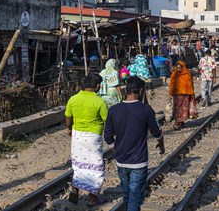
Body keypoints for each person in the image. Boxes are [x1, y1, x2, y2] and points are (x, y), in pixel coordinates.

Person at [103, 76, 165, 211]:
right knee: (135, 196)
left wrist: (115, 150)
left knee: (126, 194)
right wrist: (161, 144)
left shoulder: (114, 110)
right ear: (141, 90)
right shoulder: (146, 110)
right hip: (139, 160)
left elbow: (107, 136)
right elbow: (156, 132)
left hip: (121, 160)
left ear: (126, 90)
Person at [65, 73, 108, 207]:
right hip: (93, 136)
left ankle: (75, 190)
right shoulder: (100, 101)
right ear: (97, 86)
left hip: (77, 135)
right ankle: (92, 198)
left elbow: (68, 117)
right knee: (95, 166)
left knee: (78, 164)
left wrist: (70, 129)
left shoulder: (73, 99)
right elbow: (107, 119)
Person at [169, 61, 195, 130]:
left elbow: (190, 84)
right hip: (176, 95)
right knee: (177, 109)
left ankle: (179, 123)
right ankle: (179, 122)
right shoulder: (174, 74)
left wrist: (192, 93)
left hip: (185, 95)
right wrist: (170, 93)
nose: (178, 70)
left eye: (180, 68)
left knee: (183, 109)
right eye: (177, 68)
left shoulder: (187, 74)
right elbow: (171, 84)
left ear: (183, 67)